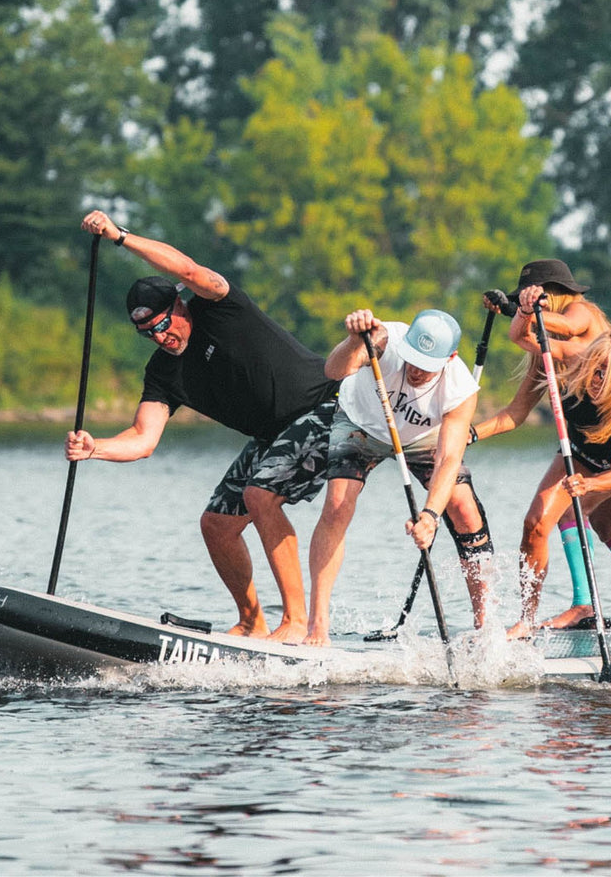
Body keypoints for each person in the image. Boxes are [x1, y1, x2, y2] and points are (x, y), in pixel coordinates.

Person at [65, 210, 338, 642]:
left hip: (324, 408)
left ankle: (295, 623)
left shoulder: (219, 308)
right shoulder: (162, 373)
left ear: (180, 305)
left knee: (259, 496)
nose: (159, 337)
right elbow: (143, 439)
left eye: (161, 324)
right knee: (216, 524)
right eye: (146, 333)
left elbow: (189, 270)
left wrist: (119, 237)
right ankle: (251, 622)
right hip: (272, 435)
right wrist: (94, 447)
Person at [478, 259, 611, 630]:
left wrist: (517, 309)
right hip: (591, 439)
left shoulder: (581, 312)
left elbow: (566, 326)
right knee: (597, 521)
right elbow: (516, 408)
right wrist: (469, 434)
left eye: (531, 297)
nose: (526, 304)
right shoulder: (549, 354)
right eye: (523, 299)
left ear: (552, 295)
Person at [304, 308, 492, 646]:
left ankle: (485, 624)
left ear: (450, 358)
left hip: (421, 438)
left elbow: (448, 458)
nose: (416, 370)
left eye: (427, 365)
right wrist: (353, 340)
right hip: (359, 423)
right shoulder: (383, 340)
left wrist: (430, 516)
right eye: (413, 360)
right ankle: (317, 624)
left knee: (464, 508)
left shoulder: (461, 388)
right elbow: (334, 370)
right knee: (337, 504)